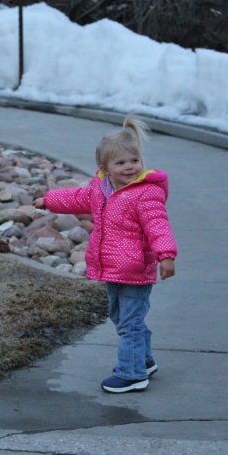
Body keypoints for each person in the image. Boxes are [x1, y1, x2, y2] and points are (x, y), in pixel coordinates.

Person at [34, 114, 177, 394]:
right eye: (120, 163)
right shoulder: (101, 190)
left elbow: (158, 225)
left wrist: (166, 255)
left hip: (136, 270)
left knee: (130, 323)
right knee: (120, 316)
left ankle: (132, 374)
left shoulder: (146, 194)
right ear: (105, 168)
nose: (129, 167)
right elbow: (75, 197)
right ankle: (144, 359)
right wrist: (48, 200)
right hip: (113, 268)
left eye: (134, 161)